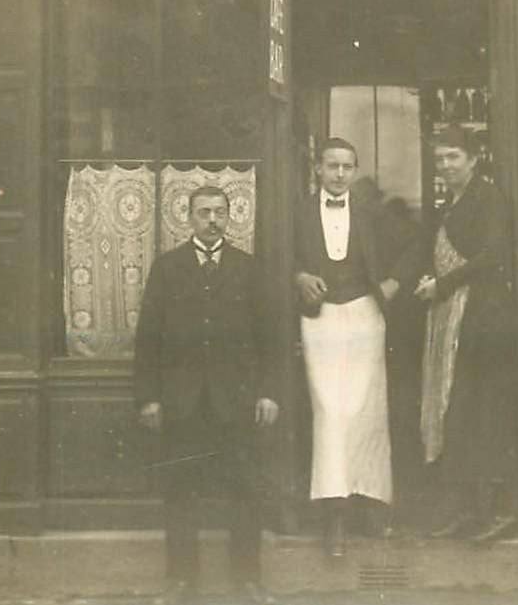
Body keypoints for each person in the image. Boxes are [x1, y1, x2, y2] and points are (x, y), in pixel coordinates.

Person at [134, 185, 279, 601]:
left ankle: (247, 578)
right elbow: (148, 339)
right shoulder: (168, 268)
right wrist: (149, 398)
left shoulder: (250, 269)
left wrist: (268, 392)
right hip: (183, 401)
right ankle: (181, 578)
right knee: (180, 487)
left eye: (219, 212)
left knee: (246, 488)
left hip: (236, 400)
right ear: (189, 218)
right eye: (203, 212)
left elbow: (269, 337)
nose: (212, 219)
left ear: (230, 217)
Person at [411, 126, 518, 542]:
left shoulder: (488, 198)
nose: (445, 166)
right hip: (456, 314)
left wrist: (443, 284)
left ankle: (494, 512)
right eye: (439, 159)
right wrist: (432, 279)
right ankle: (469, 511)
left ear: (474, 159)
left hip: (483, 319)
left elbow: (493, 255)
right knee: (460, 411)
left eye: (453, 157)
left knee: (482, 412)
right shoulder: (452, 202)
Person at [294, 137, 399, 558]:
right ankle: (334, 516)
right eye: (332, 166)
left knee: (368, 412)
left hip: (364, 317)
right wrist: (296, 276)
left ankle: (371, 505)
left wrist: (393, 283)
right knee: (331, 413)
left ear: (355, 172)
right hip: (319, 320)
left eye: (348, 167)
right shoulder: (298, 211)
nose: (340, 174)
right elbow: (276, 255)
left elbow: (415, 246)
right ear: (318, 168)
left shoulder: (372, 212)